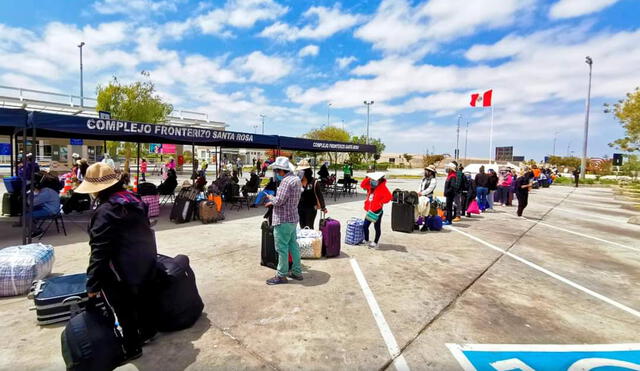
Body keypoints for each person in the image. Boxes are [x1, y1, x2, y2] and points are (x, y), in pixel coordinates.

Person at [75, 163, 158, 362]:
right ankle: (148, 331)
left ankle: (132, 348)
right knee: (143, 299)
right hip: (145, 259)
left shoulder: (106, 211)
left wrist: (93, 283)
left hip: (120, 269)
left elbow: (100, 250)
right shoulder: (133, 199)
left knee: (124, 308)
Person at [264, 157, 303, 285]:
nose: (276, 173)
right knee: (293, 246)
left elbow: (279, 201)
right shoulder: (296, 179)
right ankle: (297, 271)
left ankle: (281, 275)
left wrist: (271, 198)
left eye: (276, 170)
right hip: (293, 219)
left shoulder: (286, 182)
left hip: (283, 220)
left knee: (282, 249)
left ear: (281, 170)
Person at [360, 172, 392, 248]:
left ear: (379, 180)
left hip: (377, 211)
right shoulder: (371, 186)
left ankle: (375, 242)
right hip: (370, 210)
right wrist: (368, 178)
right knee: (365, 226)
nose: (372, 181)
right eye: (372, 180)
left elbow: (389, 197)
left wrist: (381, 202)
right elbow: (362, 185)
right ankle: (366, 240)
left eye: (374, 180)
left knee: (376, 227)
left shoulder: (383, 188)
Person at [296, 160, 327, 229]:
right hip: (300, 207)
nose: (299, 172)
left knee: (309, 226)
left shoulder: (314, 181)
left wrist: (323, 207)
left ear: (306, 171)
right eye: (299, 171)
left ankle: (311, 239)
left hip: (311, 208)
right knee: (302, 226)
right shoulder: (297, 181)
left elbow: (319, 195)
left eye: (301, 171)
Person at [415, 165, 437, 231]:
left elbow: (429, 189)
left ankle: (426, 225)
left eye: (427, 171)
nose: (426, 172)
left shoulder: (433, 180)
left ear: (431, 172)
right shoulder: (423, 179)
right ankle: (417, 224)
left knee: (426, 212)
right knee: (418, 210)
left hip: (427, 197)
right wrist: (418, 192)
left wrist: (421, 193)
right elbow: (420, 187)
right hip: (420, 196)